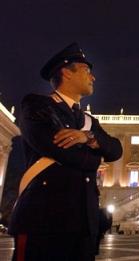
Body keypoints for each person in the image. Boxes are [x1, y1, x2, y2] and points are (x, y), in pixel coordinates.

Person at [9, 43, 123, 260]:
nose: (93, 77)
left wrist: (88, 137)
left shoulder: (89, 122)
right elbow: (55, 148)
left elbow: (116, 150)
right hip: (42, 222)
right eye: (86, 71)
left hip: (83, 225)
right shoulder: (36, 105)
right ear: (66, 72)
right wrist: (96, 159)